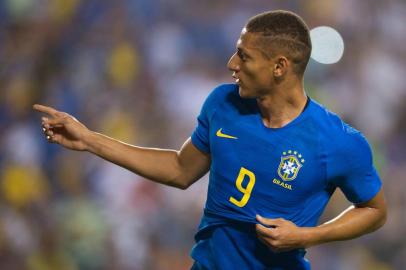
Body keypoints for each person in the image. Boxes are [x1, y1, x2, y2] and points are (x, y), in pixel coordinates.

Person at [34, 10, 387, 270]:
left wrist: (307, 236)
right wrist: (90, 140)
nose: (232, 63)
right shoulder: (223, 103)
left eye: (244, 56)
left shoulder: (338, 142)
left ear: (279, 67)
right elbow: (179, 169)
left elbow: (374, 210)